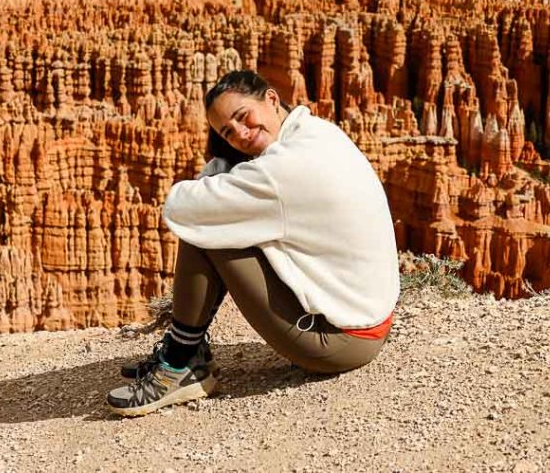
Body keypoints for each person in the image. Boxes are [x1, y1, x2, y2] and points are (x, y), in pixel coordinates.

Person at [107, 69, 399, 418]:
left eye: (243, 116)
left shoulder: (282, 170)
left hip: (341, 344)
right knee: (217, 214)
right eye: (227, 133)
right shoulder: (315, 133)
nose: (241, 135)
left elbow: (181, 206)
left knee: (209, 226)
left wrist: (220, 168)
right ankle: (187, 355)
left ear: (272, 99)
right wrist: (227, 166)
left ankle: (179, 365)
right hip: (366, 321)